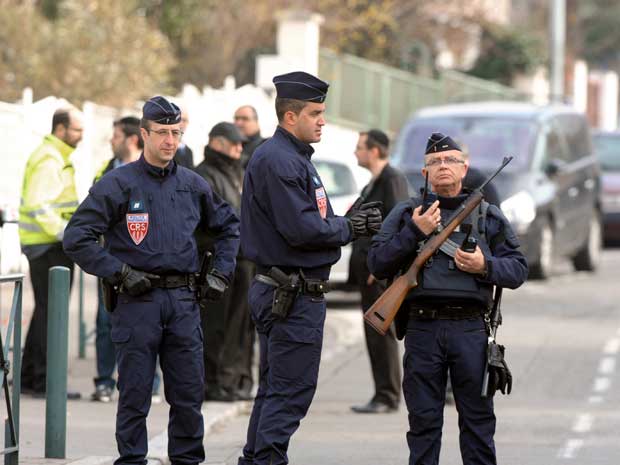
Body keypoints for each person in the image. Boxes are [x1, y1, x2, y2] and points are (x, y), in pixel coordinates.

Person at [63, 96, 240, 465]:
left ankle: (187, 460)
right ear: (143, 134)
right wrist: (119, 273)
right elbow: (76, 237)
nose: (170, 141)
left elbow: (229, 228)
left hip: (184, 302)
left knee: (189, 396)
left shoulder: (194, 185)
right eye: (161, 132)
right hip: (136, 302)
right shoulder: (118, 184)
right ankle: (131, 460)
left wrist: (221, 273)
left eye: (176, 133)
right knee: (134, 396)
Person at [237, 71, 382, 465]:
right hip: (291, 294)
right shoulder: (280, 161)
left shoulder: (294, 158)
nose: (322, 120)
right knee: (289, 393)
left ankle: (255, 459)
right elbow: (302, 229)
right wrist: (349, 228)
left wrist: (346, 222)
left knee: (276, 390)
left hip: (290, 292)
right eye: (315, 113)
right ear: (290, 117)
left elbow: (314, 219)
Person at [367, 132, 528, 465]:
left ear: (464, 168)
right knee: (423, 425)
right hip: (423, 329)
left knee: (478, 426)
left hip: (471, 331)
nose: (443, 166)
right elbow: (377, 262)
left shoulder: (487, 215)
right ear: (424, 172)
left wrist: (485, 266)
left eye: (450, 160)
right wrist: (414, 231)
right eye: (434, 162)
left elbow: (518, 269)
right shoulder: (407, 214)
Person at [91, 116, 162, 404]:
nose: (112, 140)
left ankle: (150, 383)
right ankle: (105, 381)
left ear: (133, 139)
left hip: (147, 263)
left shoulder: (154, 174)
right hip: (112, 263)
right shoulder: (107, 172)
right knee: (105, 322)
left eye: (116, 135)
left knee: (149, 325)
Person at [19, 107, 83, 399]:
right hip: (49, 246)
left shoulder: (55, 156)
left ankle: (32, 376)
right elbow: (38, 205)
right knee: (51, 313)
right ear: (60, 129)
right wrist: (65, 232)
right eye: (76, 130)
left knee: (45, 311)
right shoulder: (50, 159)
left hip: (46, 245)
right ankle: (45, 380)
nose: (81, 136)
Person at [349, 129, 409, 414]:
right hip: (369, 270)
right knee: (373, 332)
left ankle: (387, 395)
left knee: (381, 330)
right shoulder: (373, 183)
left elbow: (399, 224)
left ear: (374, 151)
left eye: (360, 147)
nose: (355, 152)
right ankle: (381, 392)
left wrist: (384, 265)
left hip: (379, 272)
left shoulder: (392, 179)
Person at [195, 122, 255, 401]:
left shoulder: (236, 172)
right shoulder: (205, 176)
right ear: (217, 143)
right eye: (234, 143)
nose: (240, 148)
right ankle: (213, 381)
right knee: (215, 325)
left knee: (238, 327)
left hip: (242, 261)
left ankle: (233, 380)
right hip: (216, 263)